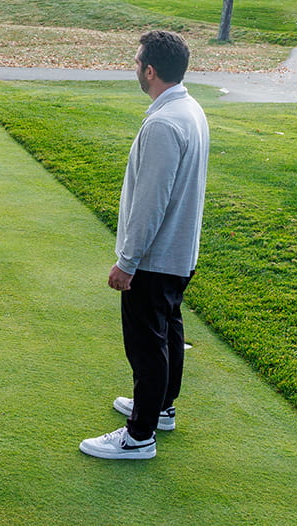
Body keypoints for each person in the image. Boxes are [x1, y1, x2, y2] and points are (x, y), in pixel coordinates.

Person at [80, 30, 209, 460]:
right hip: (179, 253)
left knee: (146, 344)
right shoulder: (189, 109)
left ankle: (139, 437)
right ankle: (161, 409)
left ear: (150, 70)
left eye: (136, 62)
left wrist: (127, 261)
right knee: (167, 332)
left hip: (155, 258)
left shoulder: (163, 123)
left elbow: (150, 202)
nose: (134, 67)